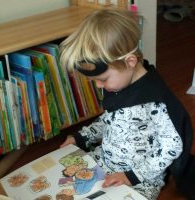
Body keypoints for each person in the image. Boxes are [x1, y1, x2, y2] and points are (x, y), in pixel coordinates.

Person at [59, 9, 193, 200]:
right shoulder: (120, 87)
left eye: (103, 79)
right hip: (104, 160)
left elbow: (172, 144)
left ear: (130, 62)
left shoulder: (154, 101)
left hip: (140, 178)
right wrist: (82, 137)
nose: (99, 86)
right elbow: (111, 119)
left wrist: (133, 176)